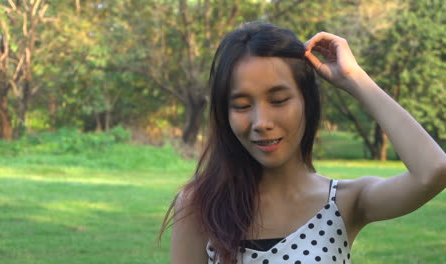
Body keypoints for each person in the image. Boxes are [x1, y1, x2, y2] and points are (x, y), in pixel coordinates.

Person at [160, 22, 446, 264]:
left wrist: (353, 78)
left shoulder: (345, 202)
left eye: (279, 100)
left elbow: (433, 171)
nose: (261, 121)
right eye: (242, 105)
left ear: (307, 102)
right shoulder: (200, 206)